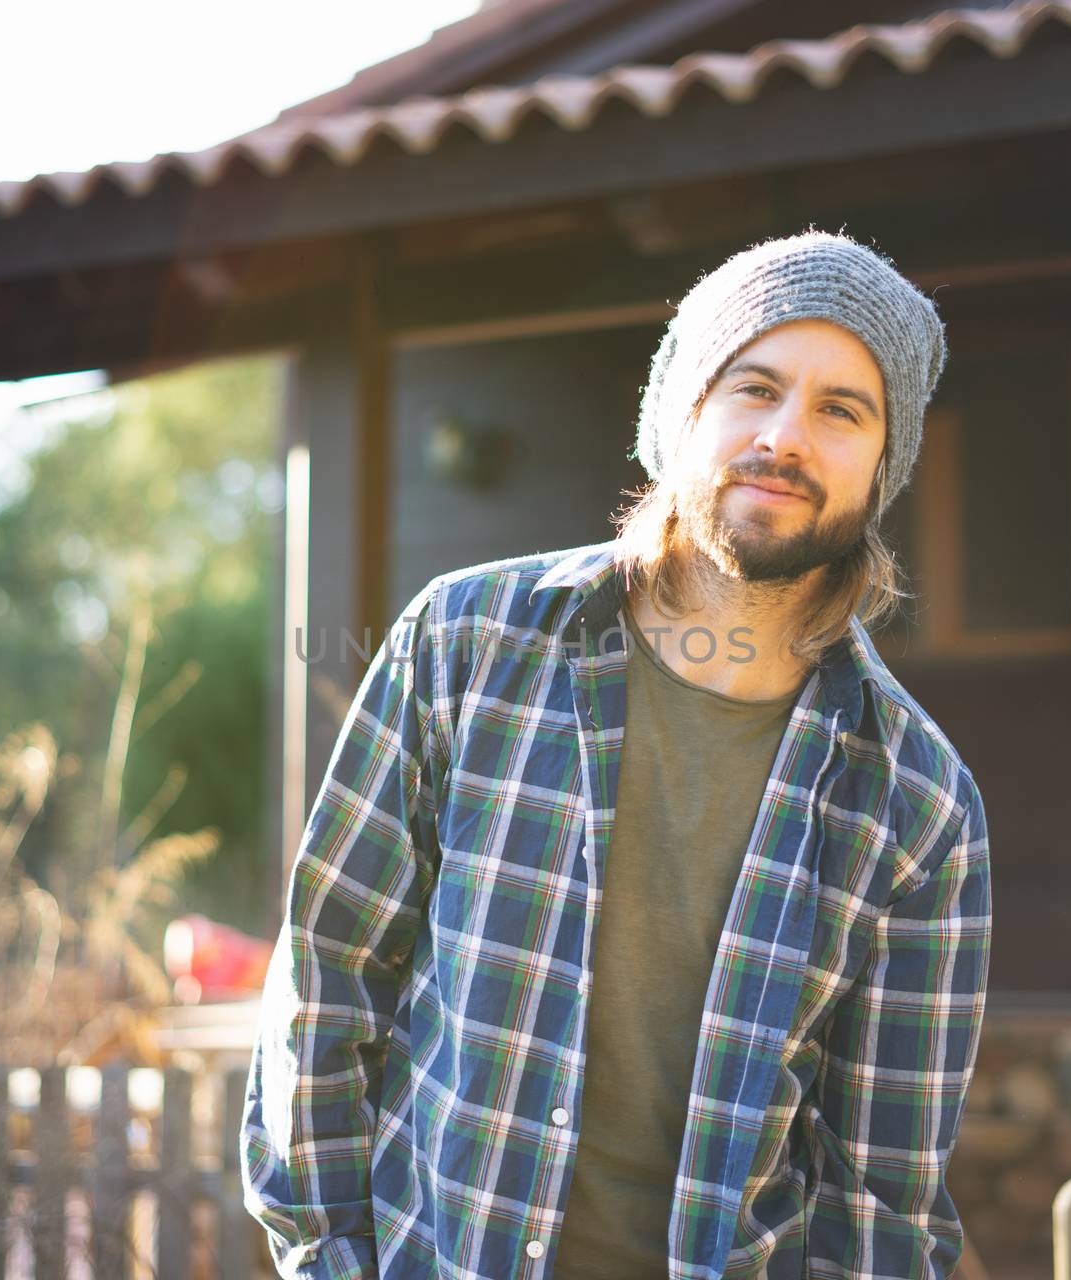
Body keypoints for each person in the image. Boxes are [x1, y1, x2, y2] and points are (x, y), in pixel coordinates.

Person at [241, 229, 993, 1279]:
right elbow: (329, 977)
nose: (785, 435)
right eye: (754, 386)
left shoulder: (918, 802)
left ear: (884, 460)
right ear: (681, 412)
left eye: (840, 408)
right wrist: (330, 1256)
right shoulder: (462, 643)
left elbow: (880, 1199)